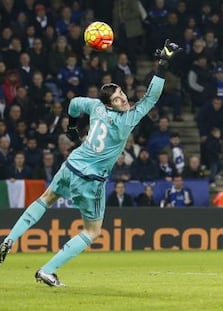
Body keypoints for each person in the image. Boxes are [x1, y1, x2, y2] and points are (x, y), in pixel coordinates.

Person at [0, 39, 182, 286]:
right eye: (117, 99)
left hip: (71, 164)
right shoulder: (125, 120)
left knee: (46, 199)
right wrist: (162, 64)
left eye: (122, 94)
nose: (124, 100)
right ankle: (47, 269)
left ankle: (10, 239)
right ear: (110, 104)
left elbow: (74, 103)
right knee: (92, 231)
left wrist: (72, 126)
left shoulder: (96, 106)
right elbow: (151, 97)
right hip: (91, 179)